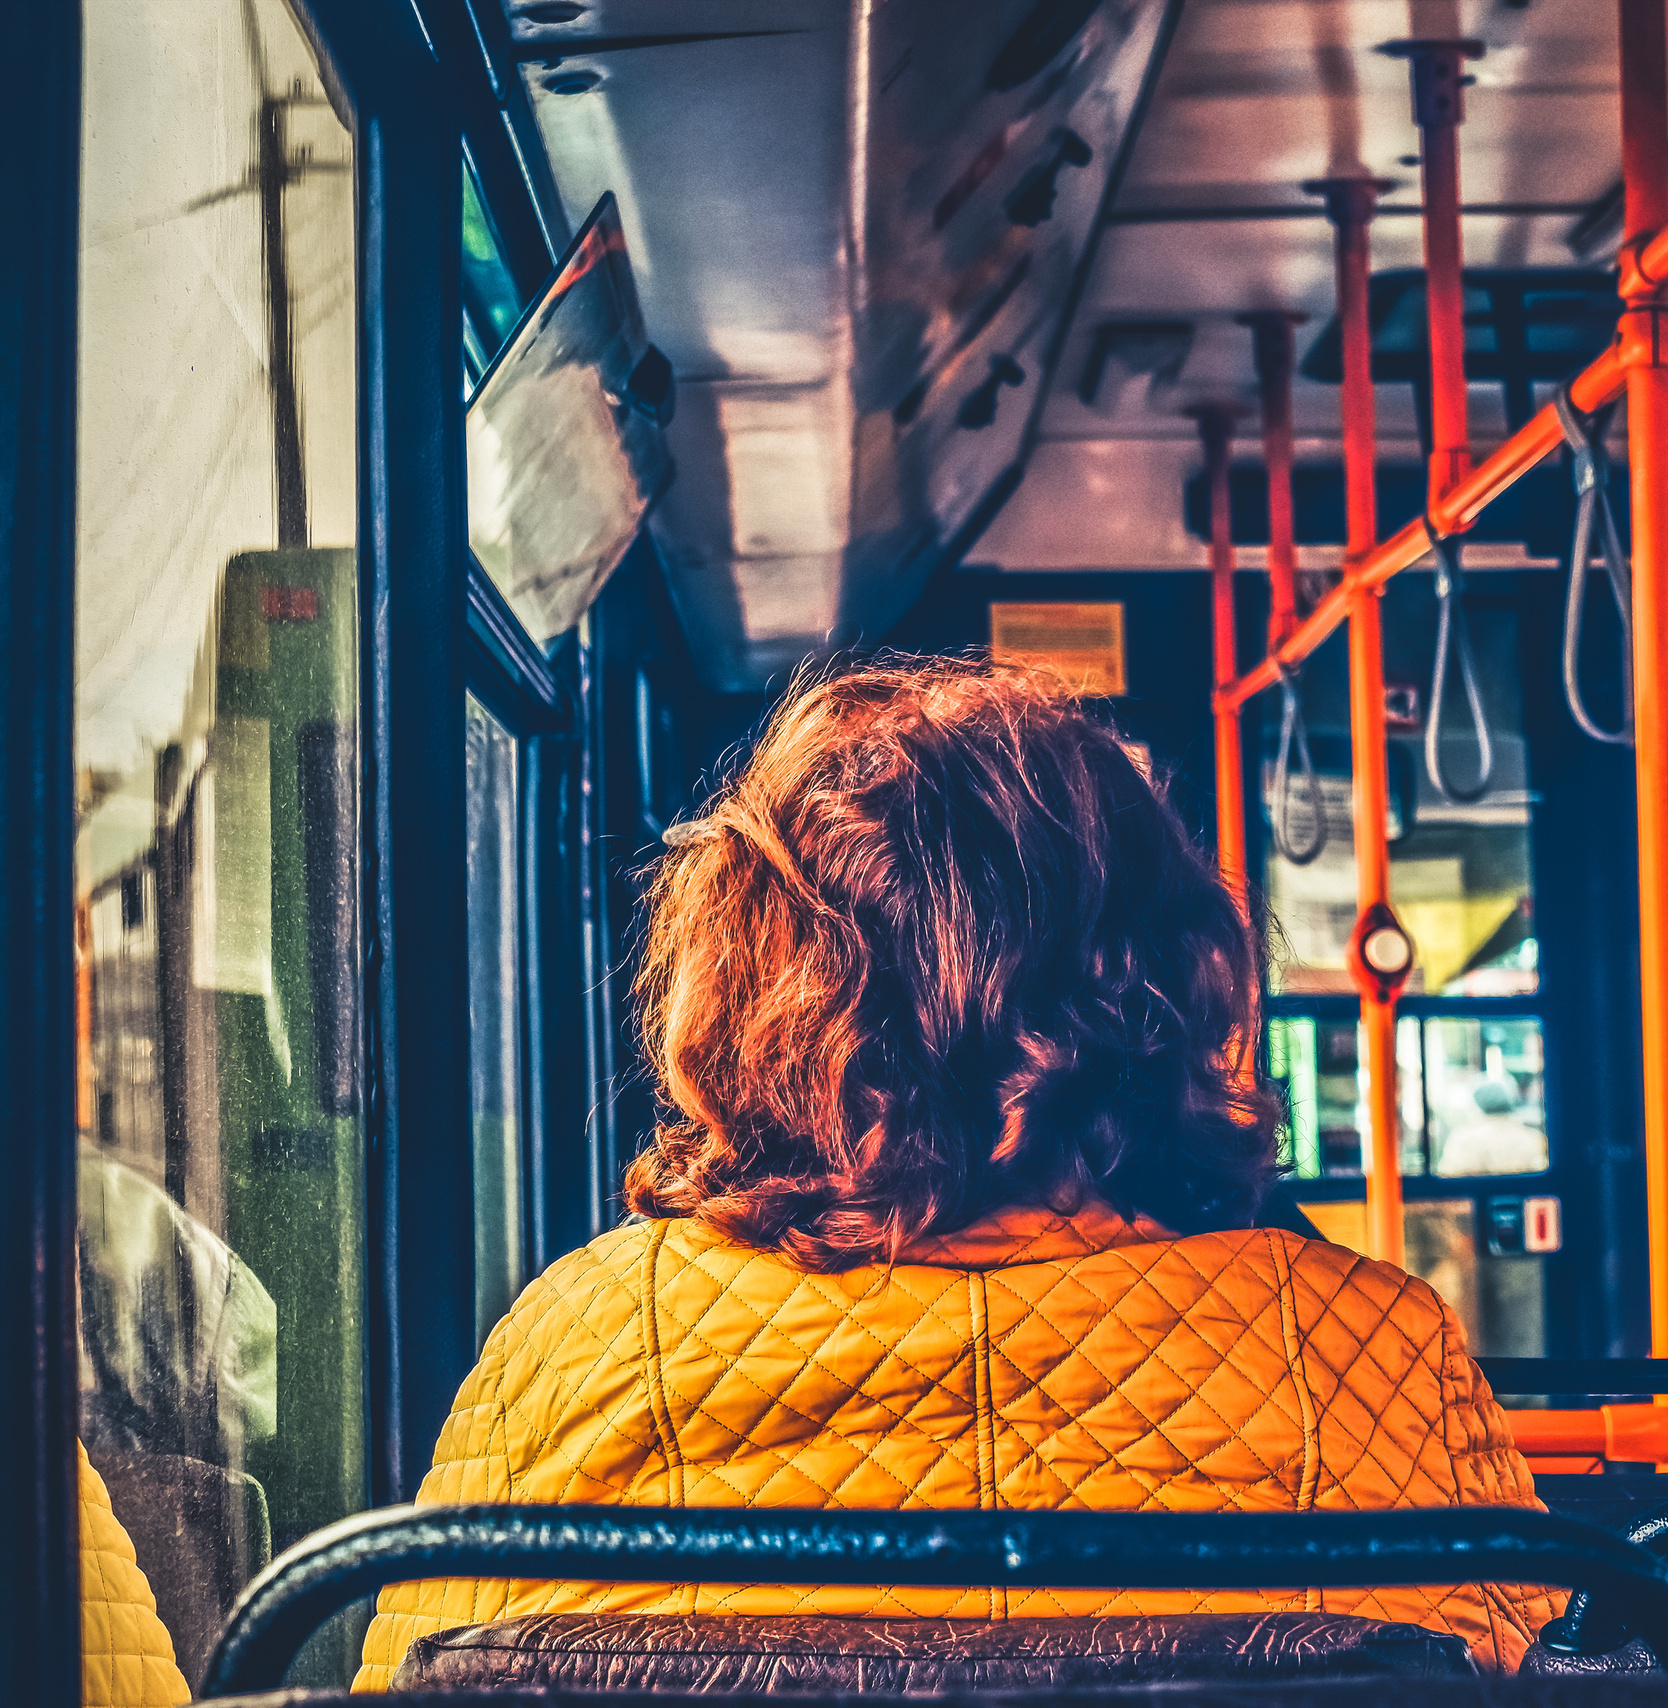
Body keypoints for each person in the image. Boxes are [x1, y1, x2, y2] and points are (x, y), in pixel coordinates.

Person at [357, 660, 1561, 1688]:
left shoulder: (571, 1345)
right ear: (1166, 972)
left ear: (746, 989)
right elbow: (1554, 1663)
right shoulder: (1374, 1347)